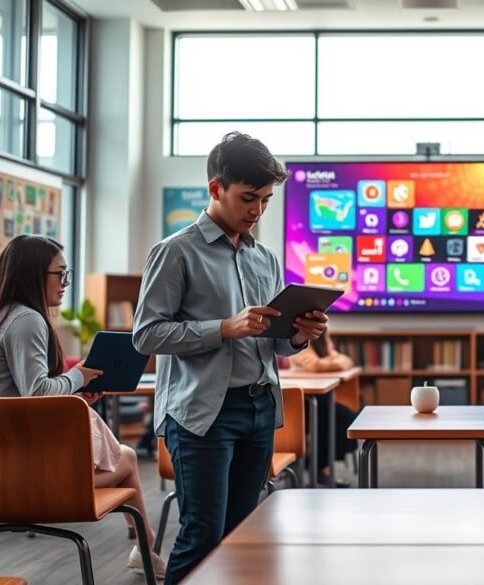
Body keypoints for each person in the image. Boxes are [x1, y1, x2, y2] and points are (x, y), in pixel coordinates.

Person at [133, 131, 328, 585]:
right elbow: (146, 335)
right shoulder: (174, 251)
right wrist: (225, 327)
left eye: (265, 200)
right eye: (248, 198)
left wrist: (300, 336)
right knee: (202, 536)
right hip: (203, 414)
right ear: (215, 188)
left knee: (243, 534)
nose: (257, 211)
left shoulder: (266, 259)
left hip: (260, 409)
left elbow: (274, 344)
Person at [0, 235, 165, 579]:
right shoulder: (25, 320)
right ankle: (146, 549)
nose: (65, 283)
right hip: (19, 478)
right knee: (129, 458)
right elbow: (36, 394)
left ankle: (145, 548)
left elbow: (18, 400)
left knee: (120, 453)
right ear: (33, 274)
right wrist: (77, 377)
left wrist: (72, 395)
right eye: (59, 274)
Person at [289, 329, 358, 485]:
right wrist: (336, 363)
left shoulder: (321, 339)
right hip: (298, 400)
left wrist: (335, 363)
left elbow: (343, 359)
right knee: (328, 416)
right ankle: (319, 467)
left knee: (343, 417)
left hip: (318, 396)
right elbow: (316, 365)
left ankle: (318, 465)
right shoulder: (297, 339)